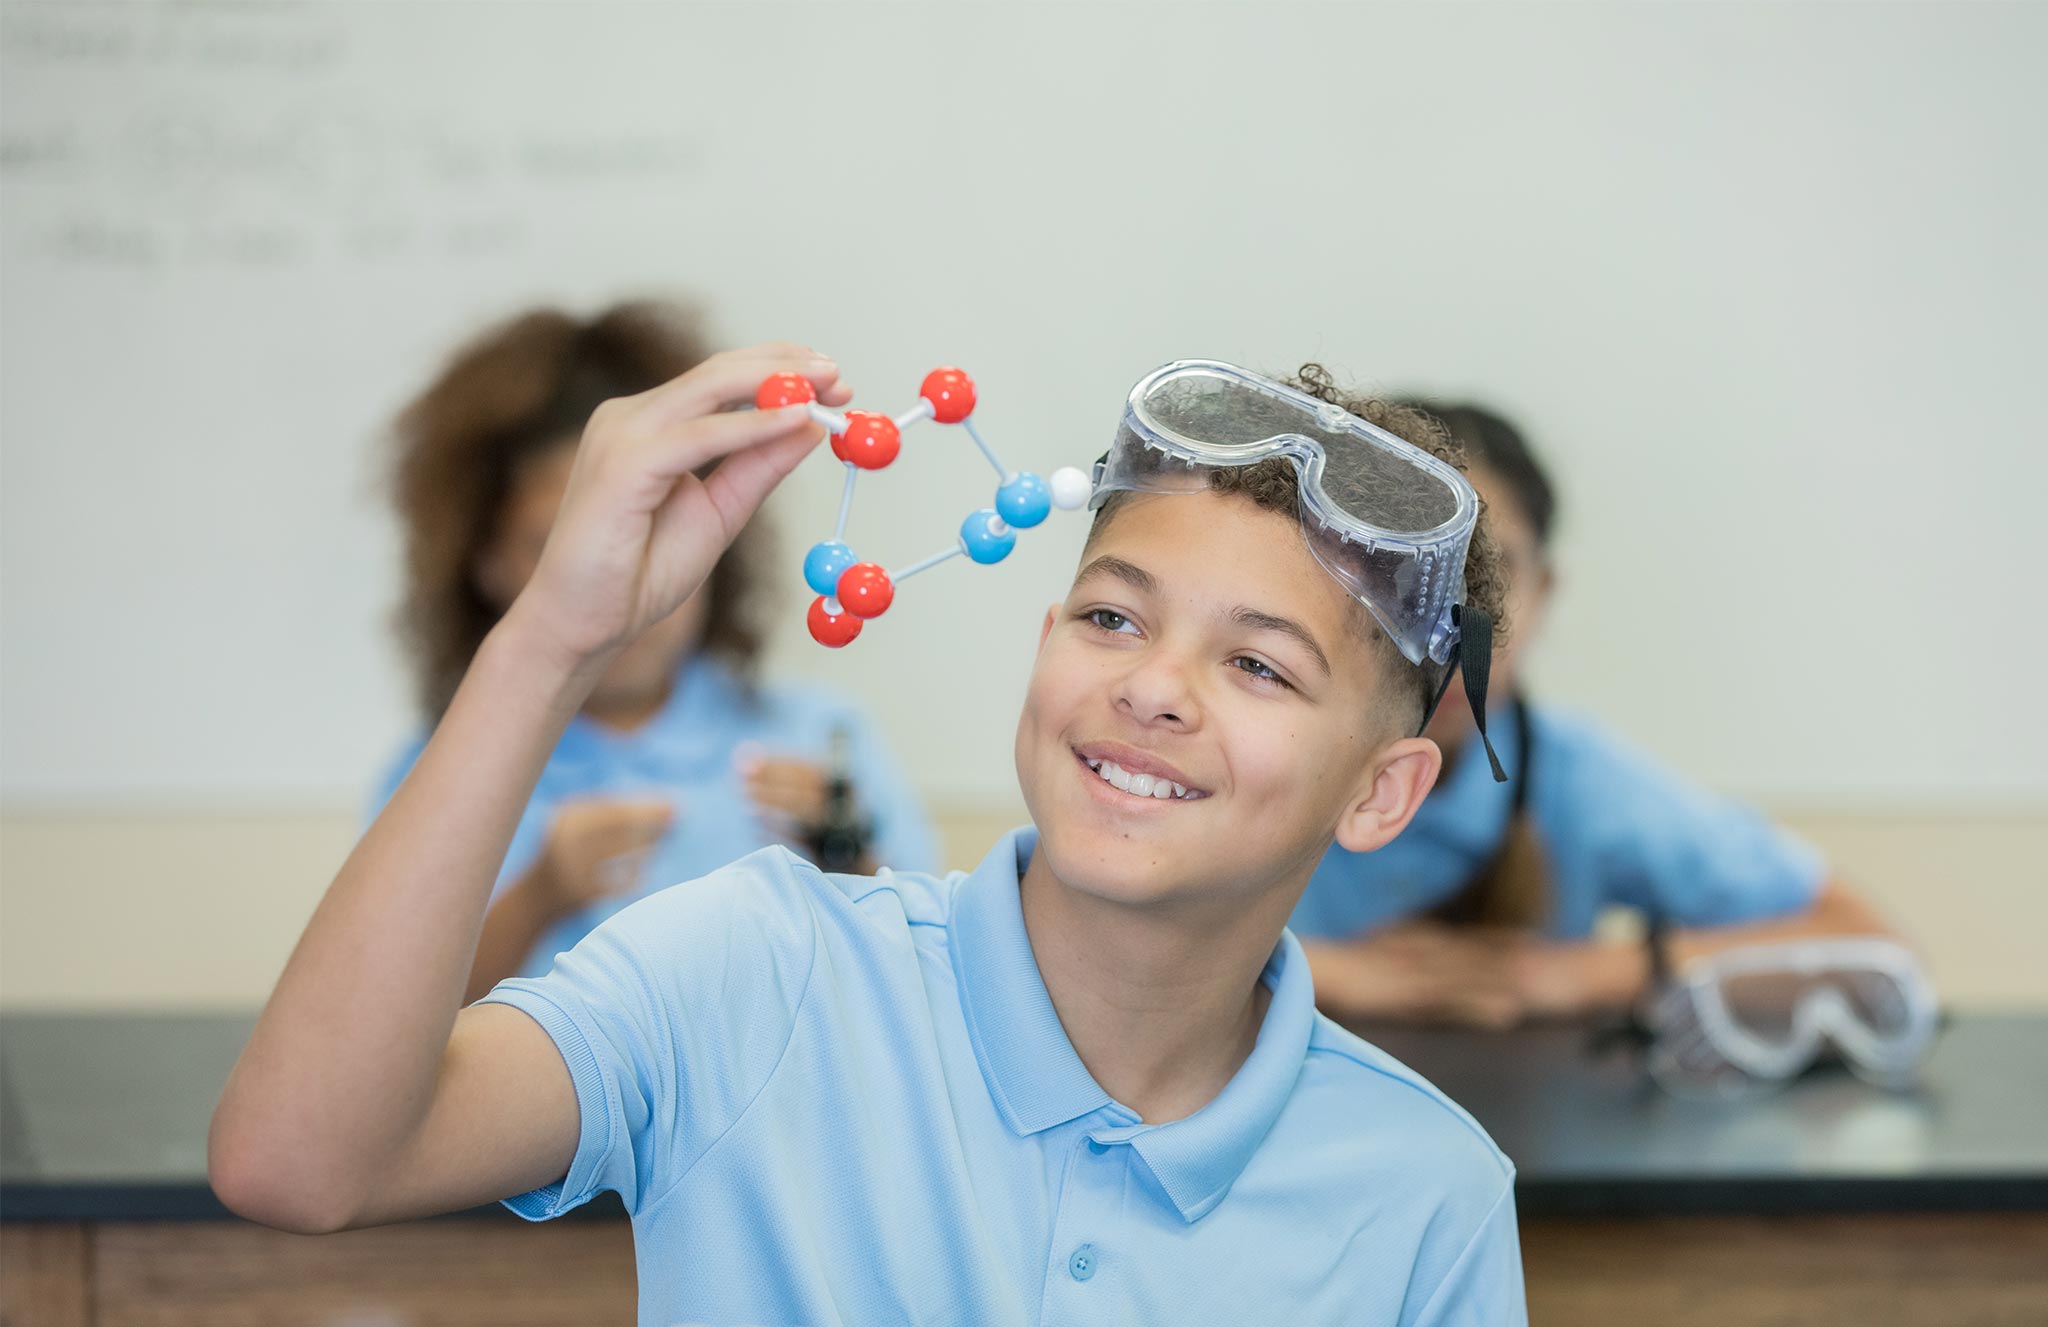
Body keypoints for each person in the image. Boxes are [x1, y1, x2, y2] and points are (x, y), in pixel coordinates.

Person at [212, 349, 1526, 1323]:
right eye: (1112, 617)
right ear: (1045, 644)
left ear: (1383, 790)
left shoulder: (1427, 1191)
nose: (1153, 686)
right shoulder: (759, 969)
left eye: (1259, 663)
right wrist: (555, 636)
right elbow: (299, 1160)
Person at [378, 304, 938, 1000]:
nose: (617, 570)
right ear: (483, 559)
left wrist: (848, 855)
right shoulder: (443, 771)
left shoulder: (824, 739)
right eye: (555, 540)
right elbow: (378, 1026)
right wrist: (535, 899)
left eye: (654, 527)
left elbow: (925, 981)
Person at [1293, 403, 1896, 1030]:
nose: (1449, 623)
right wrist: (1334, 975)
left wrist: (1569, 975)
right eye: (1403, 568)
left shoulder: (1572, 778)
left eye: (1490, 576)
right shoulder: (1257, 750)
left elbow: (1871, 949)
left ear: (1544, 594)